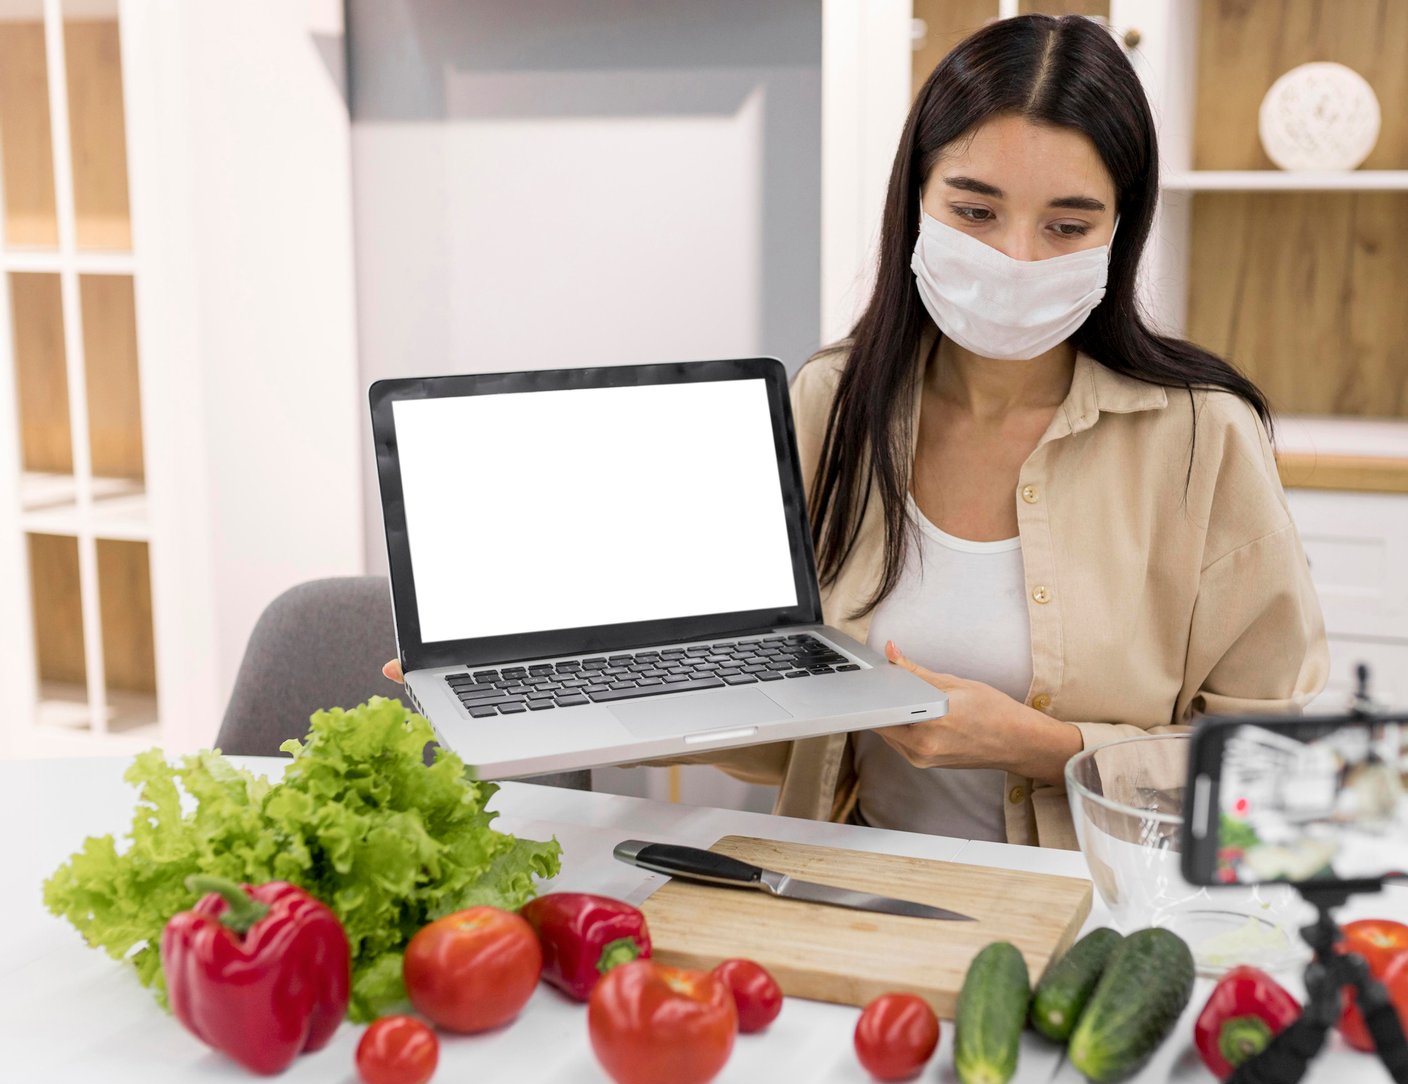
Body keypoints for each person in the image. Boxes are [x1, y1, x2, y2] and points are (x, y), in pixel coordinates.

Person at [387, 14, 1327, 848]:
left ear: (1121, 234)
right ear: (914, 200)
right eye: (975, 209)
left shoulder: (1204, 437)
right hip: (848, 884)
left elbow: (1276, 772)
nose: (1013, 256)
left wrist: (1047, 748)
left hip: (1093, 909)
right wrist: (586, 673)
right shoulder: (831, 401)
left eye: (1067, 224)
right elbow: (775, 730)